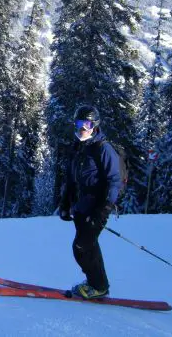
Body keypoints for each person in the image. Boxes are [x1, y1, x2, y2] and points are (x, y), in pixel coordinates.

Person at [59, 105, 122, 300]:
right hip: (82, 206)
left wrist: (103, 211)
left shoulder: (103, 149)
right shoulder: (79, 148)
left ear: (94, 125)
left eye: (86, 124)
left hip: (97, 207)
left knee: (82, 246)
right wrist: (65, 203)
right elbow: (71, 178)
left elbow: (115, 181)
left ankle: (98, 286)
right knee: (88, 246)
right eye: (78, 123)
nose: (82, 128)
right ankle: (97, 283)